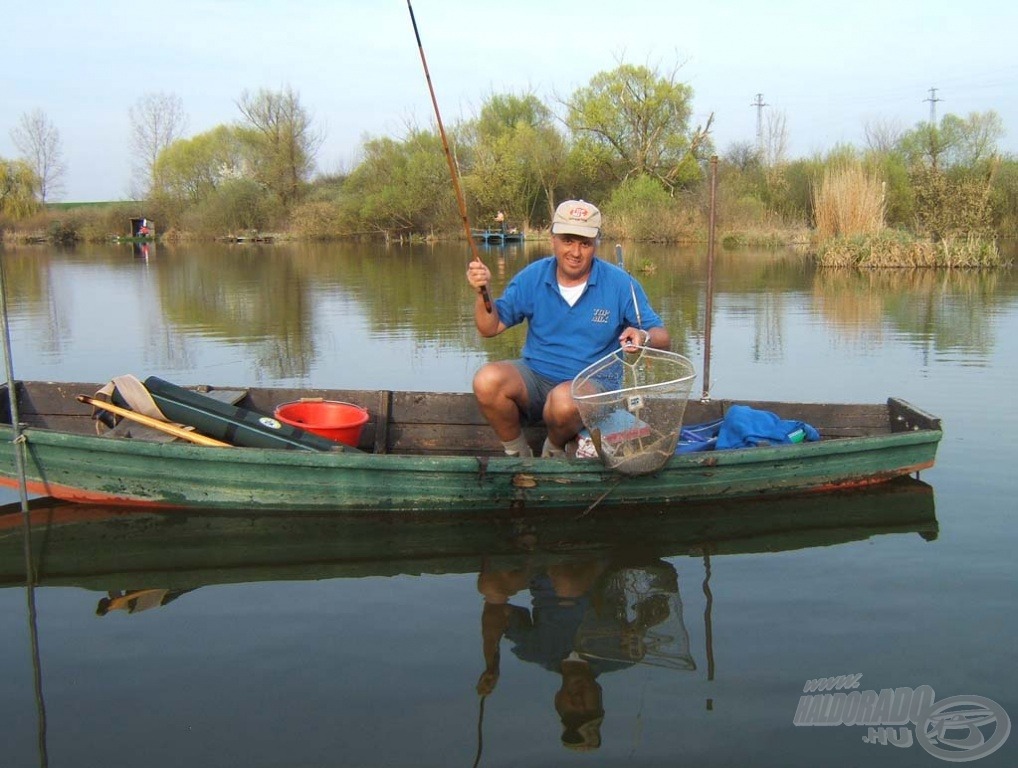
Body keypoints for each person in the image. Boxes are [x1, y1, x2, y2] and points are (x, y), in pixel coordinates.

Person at [466, 199, 671, 458]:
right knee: (486, 380)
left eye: (585, 243)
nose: (575, 252)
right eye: (568, 240)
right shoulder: (533, 276)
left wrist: (643, 336)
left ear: (596, 244)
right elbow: (490, 327)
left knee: (564, 400)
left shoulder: (621, 284)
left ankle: (553, 449)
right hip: (536, 378)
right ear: (553, 239)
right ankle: (517, 454)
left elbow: (663, 337)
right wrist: (481, 291)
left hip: (593, 386)